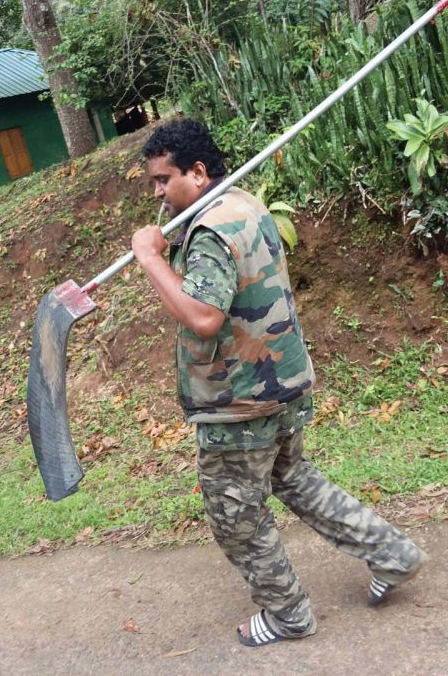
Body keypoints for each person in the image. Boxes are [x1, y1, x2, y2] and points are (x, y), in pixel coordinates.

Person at [131, 117, 426, 647]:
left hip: (240, 402)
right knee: (295, 479)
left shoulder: (210, 233)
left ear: (197, 173)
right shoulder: (241, 202)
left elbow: (202, 316)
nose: (156, 192)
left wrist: (151, 257)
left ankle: (287, 613)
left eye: (162, 179)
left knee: (235, 516)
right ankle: (393, 555)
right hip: (281, 382)